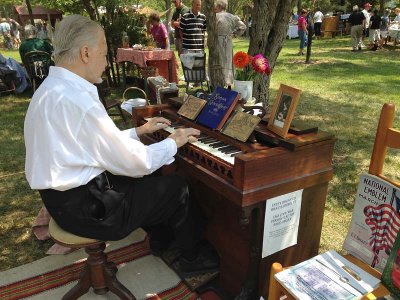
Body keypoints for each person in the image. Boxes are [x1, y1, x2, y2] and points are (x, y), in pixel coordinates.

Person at [24, 14, 219, 276]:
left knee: (152, 178)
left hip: (63, 202)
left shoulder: (50, 89)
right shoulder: (77, 100)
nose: (106, 63)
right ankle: (193, 258)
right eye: (104, 55)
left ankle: (162, 242)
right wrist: (173, 142)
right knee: (177, 187)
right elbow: (133, 163)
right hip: (89, 210)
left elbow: (89, 146)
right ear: (85, 53)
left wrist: (139, 131)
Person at [214, 0, 246, 87]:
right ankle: (227, 82)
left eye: (216, 6)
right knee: (227, 61)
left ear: (220, 7)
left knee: (218, 62)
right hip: (228, 41)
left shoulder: (215, 16)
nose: (214, 8)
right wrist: (234, 33)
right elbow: (243, 27)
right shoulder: (232, 16)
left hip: (217, 42)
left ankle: (218, 82)